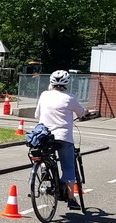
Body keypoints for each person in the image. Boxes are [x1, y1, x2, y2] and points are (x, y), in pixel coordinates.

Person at [34, 69, 87, 210]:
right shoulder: (70, 98)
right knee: (68, 167)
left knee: (45, 153)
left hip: (44, 136)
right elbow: (81, 113)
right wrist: (85, 113)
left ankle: (44, 168)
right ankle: (71, 199)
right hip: (63, 137)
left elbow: (36, 115)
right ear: (67, 83)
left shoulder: (44, 95)